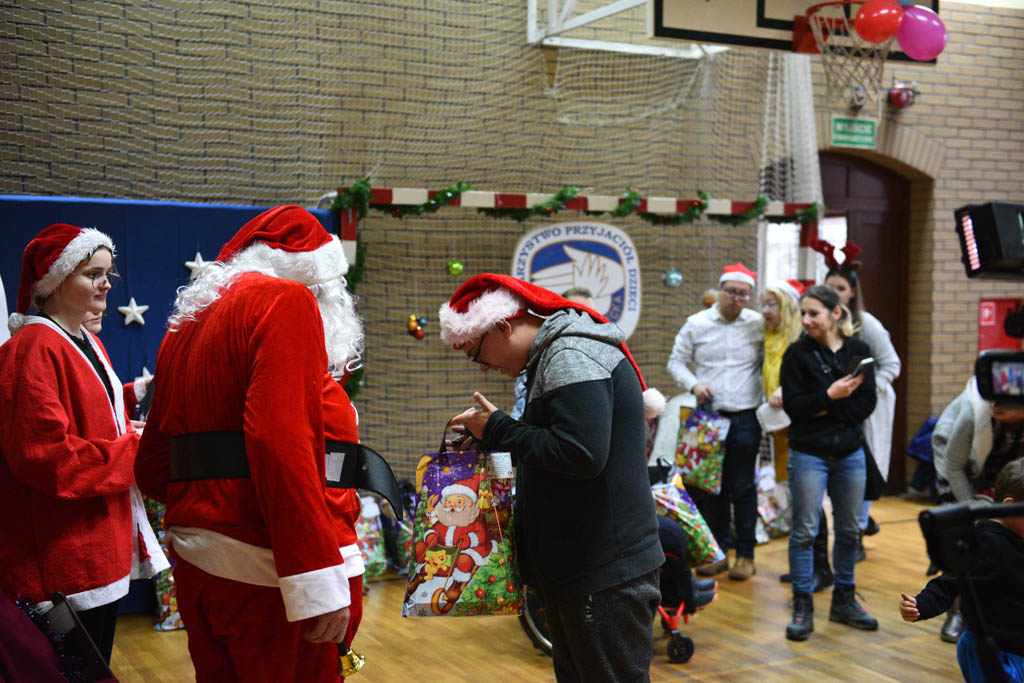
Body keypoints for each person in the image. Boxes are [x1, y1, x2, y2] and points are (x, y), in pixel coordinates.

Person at [134, 205, 365, 682]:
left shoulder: (187, 322)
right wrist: (316, 583)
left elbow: (154, 465)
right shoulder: (287, 302)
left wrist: (205, 502)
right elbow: (280, 445)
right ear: (319, 280)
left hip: (199, 556)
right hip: (268, 565)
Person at [441, 273, 664, 683]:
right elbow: (554, 448)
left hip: (603, 570)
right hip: (584, 568)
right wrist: (494, 439)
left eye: (477, 353)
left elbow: (579, 455)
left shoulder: (569, 353)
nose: (484, 367)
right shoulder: (554, 355)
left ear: (502, 325)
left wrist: (499, 429)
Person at [0, 223, 167, 663]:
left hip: (95, 545)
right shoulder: (33, 347)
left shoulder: (88, 340)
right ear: (55, 281)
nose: (107, 283)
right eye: (93, 273)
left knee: (95, 666)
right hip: (62, 558)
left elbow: (99, 429)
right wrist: (139, 450)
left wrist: (135, 432)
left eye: (109, 273)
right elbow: (47, 458)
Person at [780, 284, 878, 641]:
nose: (806, 320)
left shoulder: (859, 350)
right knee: (805, 530)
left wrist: (820, 405)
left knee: (850, 530)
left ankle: (844, 600)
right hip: (809, 453)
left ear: (836, 313)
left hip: (850, 453)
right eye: (803, 314)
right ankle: (803, 604)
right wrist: (830, 395)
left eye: (814, 314)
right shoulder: (796, 355)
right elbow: (795, 408)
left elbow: (866, 404)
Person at [667, 262, 764, 580]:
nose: (737, 299)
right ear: (719, 291)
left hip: (746, 415)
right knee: (710, 489)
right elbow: (676, 362)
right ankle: (717, 553)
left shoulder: (758, 325)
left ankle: (746, 555)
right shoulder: (697, 323)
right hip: (708, 418)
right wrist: (694, 384)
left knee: (743, 488)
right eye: (732, 292)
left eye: (744, 294)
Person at [898, 458, 1024, 682]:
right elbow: (951, 580)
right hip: (993, 652)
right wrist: (921, 605)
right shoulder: (986, 543)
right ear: (1009, 505)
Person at [931, 376, 1024, 643]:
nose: (995, 406)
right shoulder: (974, 413)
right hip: (957, 470)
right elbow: (953, 466)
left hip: (1008, 475)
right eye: (993, 400)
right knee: (968, 536)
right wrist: (975, 511)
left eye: (1006, 402)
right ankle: (958, 610)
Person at [822, 247, 901, 543]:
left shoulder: (867, 324)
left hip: (872, 405)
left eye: (840, 289)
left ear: (852, 292)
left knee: (866, 463)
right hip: (839, 403)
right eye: (829, 288)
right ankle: (859, 521)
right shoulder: (821, 322)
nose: (835, 294)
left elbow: (892, 363)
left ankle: (857, 529)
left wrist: (867, 389)